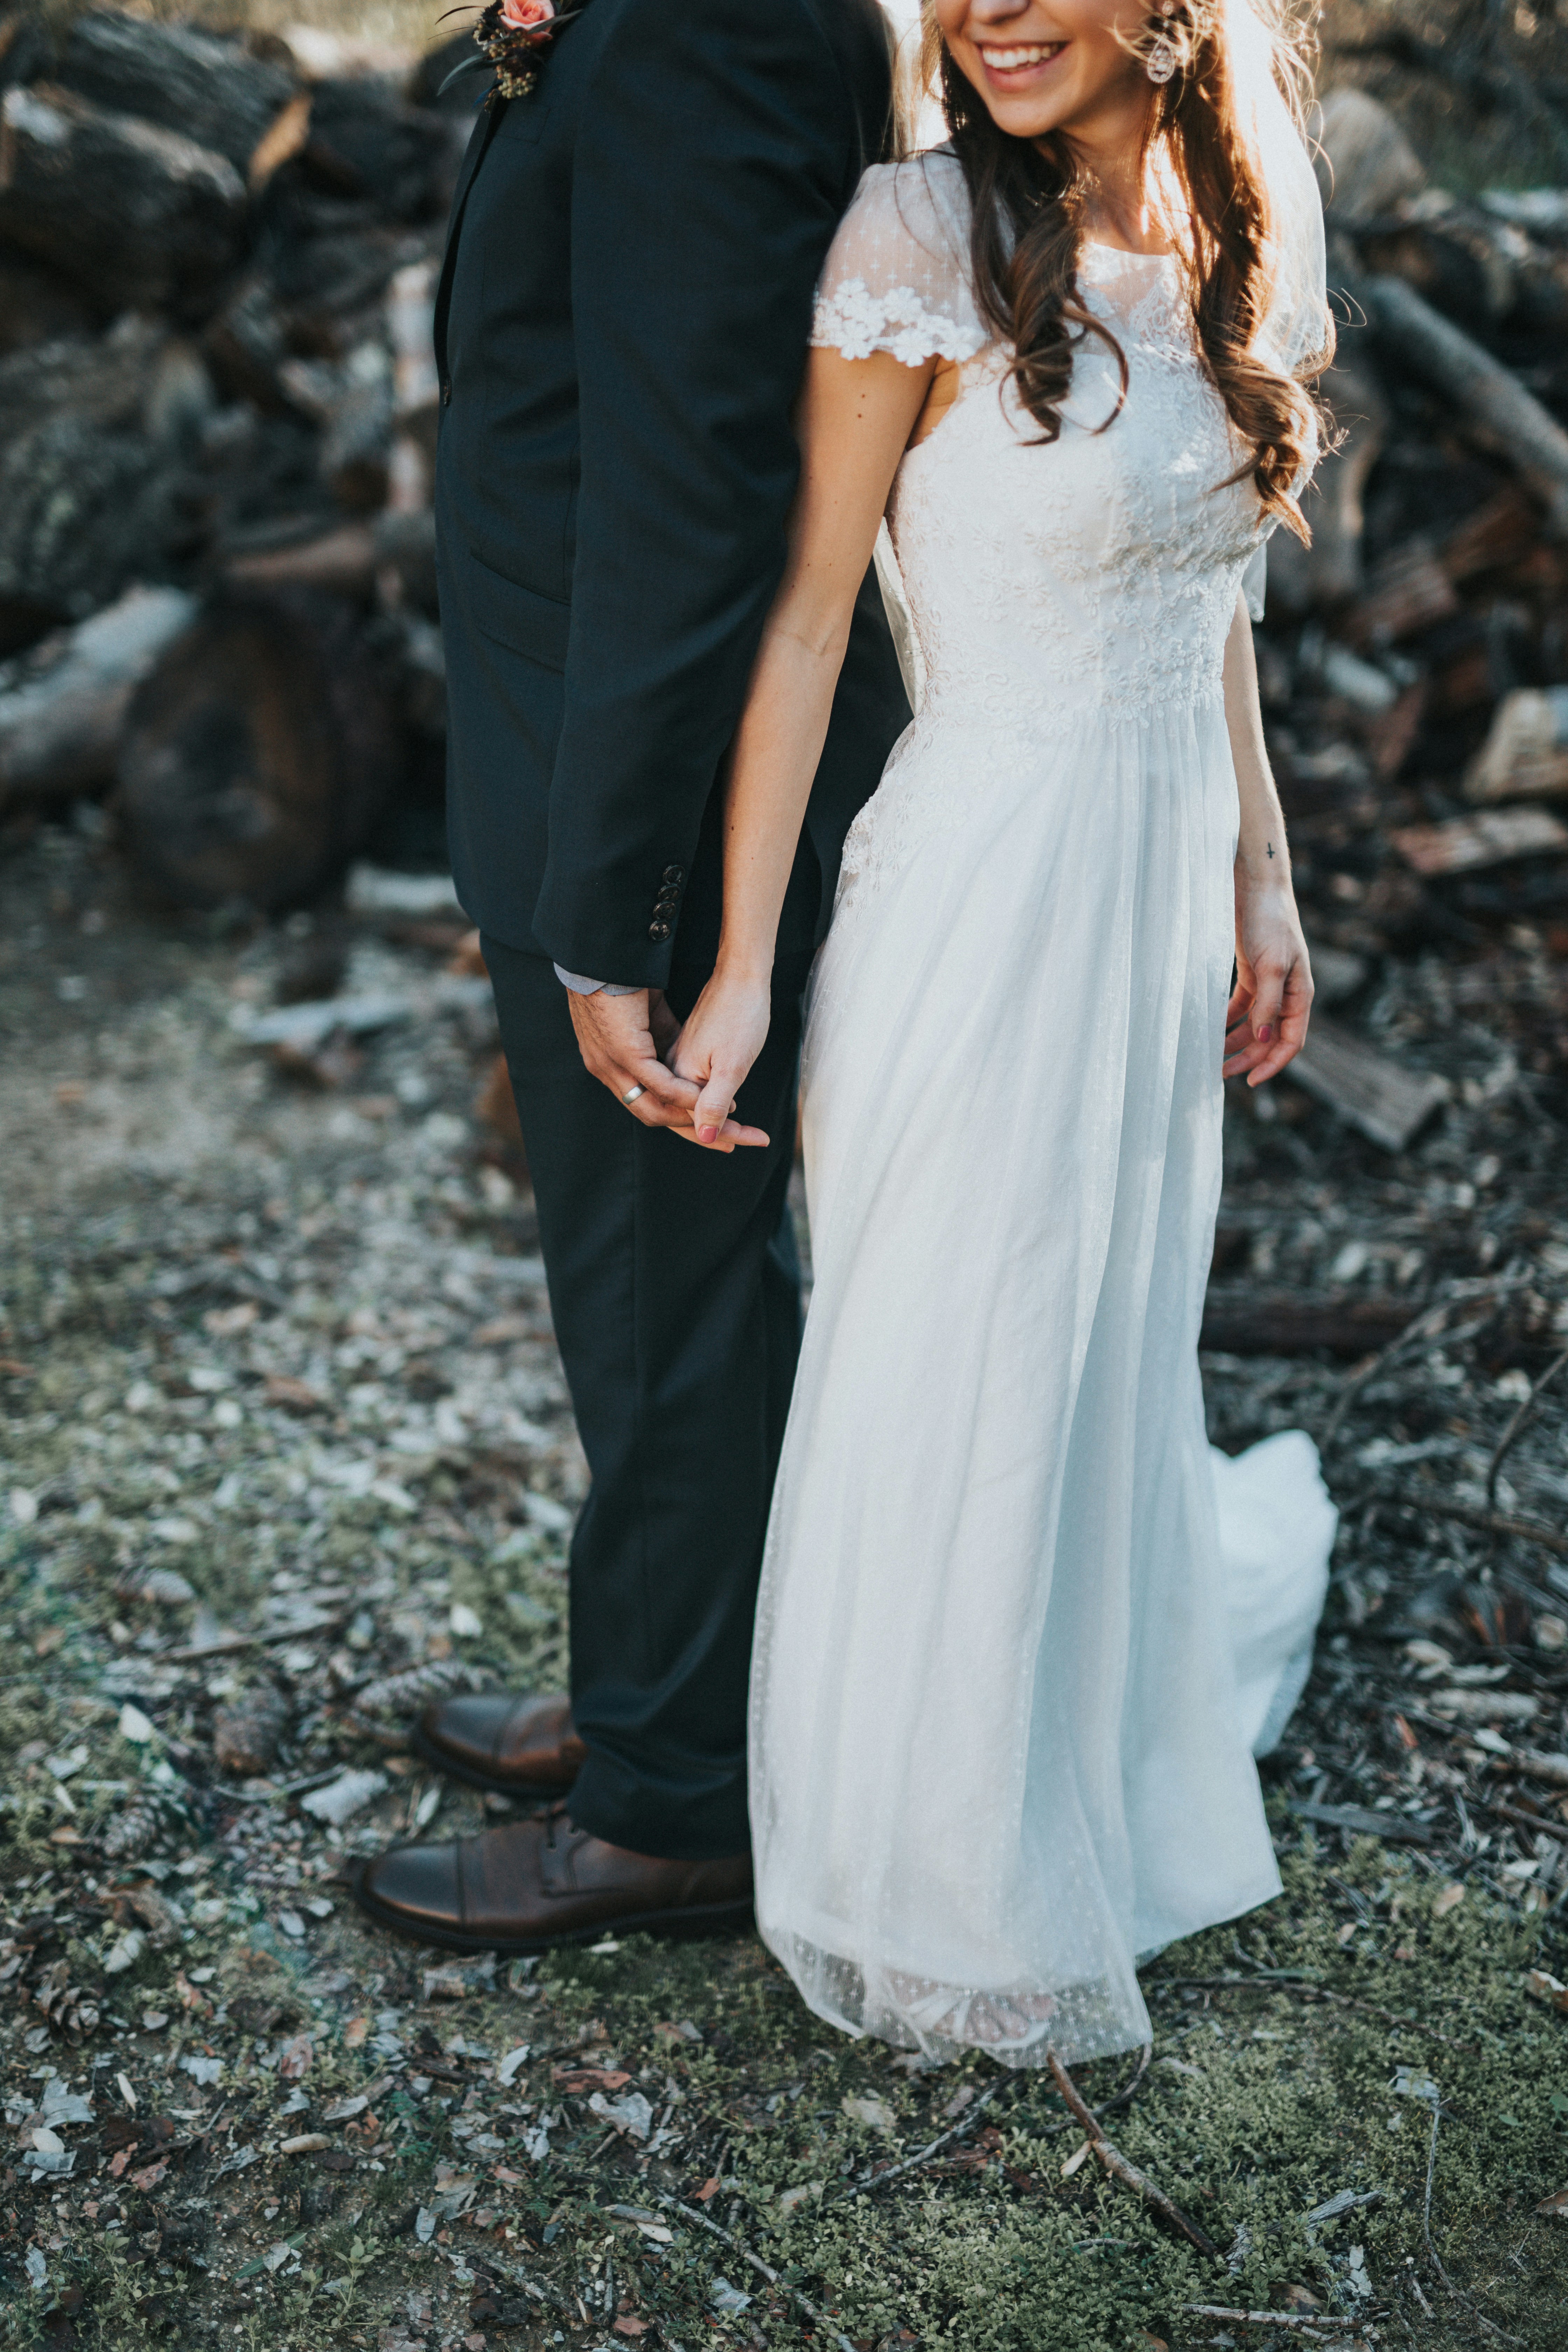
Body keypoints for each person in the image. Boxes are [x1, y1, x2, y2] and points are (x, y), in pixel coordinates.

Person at [665, 0, 1339, 2065]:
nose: (991, 10)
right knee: (965, 1356)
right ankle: (946, 1878)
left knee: (1102, 1339)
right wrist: (747, 968)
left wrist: (1262, 864)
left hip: (1150, 893)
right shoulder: (913, 236)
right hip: (979, 885)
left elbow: (1207, 593)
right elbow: (804, 615)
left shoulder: (1230, 235)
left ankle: (1082, 1770)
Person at [354, 0, 911, 1953]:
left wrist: (617, 902)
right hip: (576, 757)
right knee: (647, 1302)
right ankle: (664, 1689)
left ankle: (676, 1804)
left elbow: (695, 500)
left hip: (649, 806)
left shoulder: (709, 28)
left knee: (667, 1301)